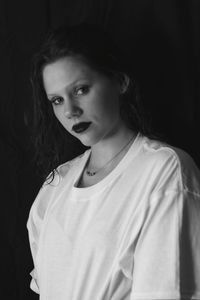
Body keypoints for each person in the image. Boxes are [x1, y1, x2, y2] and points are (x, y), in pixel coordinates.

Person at [27, 23, 200, 300]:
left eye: (81, 89)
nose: (70, 110)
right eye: (57, 100)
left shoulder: (164, 171)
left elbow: (167, 291)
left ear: (120, 81)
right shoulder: (55, 185)